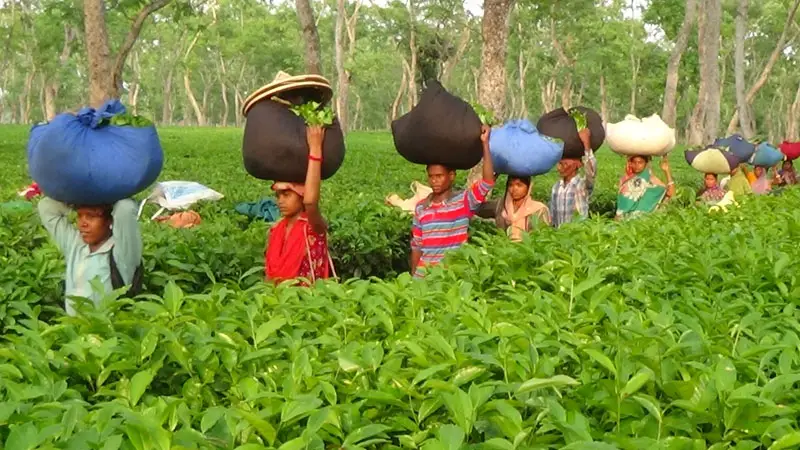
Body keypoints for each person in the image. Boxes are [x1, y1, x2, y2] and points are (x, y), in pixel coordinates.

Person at [410, 125, 495, 277]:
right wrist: (413, 278)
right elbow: (417, 246)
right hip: (425, 276)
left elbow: (487, 181)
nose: (434, 181)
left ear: (451, 176)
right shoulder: (421, 207)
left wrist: (485, 144)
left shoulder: (464, 201)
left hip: (452, 275)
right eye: (431, 176)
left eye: (439, 176)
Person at [38, 196, 142, 316]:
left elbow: (126, 208)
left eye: (91, 216)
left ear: (109, 220)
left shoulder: (123, 253)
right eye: (79, 216)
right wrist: (79, 200)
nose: (83, 224)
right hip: (74, 329)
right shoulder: (75, 245)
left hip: (106, 330)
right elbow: (46, 207)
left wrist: (106, 202)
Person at [265, 126, 332, 285]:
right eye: (278, 195)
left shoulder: (313, 227)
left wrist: (315, 148)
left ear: (301, 194)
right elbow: (268, 276)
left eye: (287, 195)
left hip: (307, 305)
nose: (280, 201)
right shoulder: (277, 230)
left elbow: (310, 202)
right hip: (279, 302)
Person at [477, 176, 550, 241]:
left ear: (528, 187)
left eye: (519, 185)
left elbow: (543, 236)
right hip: (504, 250)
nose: (514, 189)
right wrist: (490, 180)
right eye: (511, 185)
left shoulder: (539, 209)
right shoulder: (501, 205)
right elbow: (477, 207)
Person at [550, 128, 596, 228]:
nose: (560, 168)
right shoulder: (556, 187)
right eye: (559, 164)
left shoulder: (582, 185)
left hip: (577, 235)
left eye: (565, 164)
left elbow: (591, 173)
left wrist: (586, 144)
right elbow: (553, 217)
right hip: (560, 236)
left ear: (579, 164)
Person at [615, 155, 675, 220]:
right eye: (634, 162)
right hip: (622, 219)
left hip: (641, 220)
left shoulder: (651, 179)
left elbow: (670, 193)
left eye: (640, 162)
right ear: (630, 163)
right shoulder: (625, 180)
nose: (637, 165)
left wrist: (667, 171)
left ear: (645, 164)